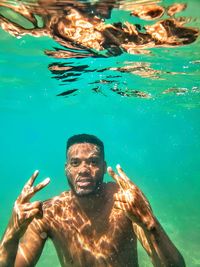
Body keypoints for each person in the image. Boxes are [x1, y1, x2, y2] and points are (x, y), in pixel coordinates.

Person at [0, 134, 185, 267]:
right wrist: (12, 233)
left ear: (104, 167)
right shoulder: (48, 214)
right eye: (75, 163)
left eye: (93, 162)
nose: (83, 169)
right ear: (66, 169)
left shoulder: (126, 202)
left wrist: (149, 223)